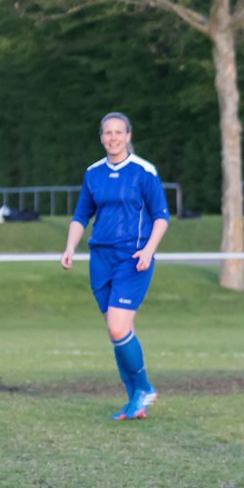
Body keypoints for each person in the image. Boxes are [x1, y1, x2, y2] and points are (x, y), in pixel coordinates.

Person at [60, 112, 170, 420]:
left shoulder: (143, 171)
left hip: (133, 258)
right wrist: (70, 247)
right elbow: (81, 215)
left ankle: (144, 388)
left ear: (128, 135)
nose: (113, 138)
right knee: (118, 334)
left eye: (118, 132)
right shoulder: (93, 173)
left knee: (117, 327)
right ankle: (135, 398)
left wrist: (149, 250)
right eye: (107, 133)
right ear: (101, 137)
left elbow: (161, 215)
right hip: (101, 260)